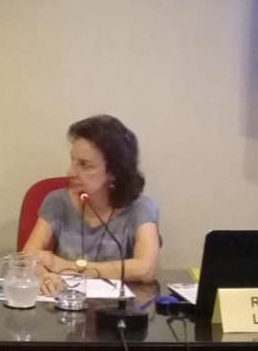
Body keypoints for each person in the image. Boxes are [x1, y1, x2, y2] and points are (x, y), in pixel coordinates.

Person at [22, 114, 159, 295]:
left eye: (84, 165)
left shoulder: (140, 208)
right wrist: (43, 275)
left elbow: (145, 269)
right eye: (72, 161)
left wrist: (68, 267)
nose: (70, 172)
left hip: (116, 309)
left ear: (114, 172)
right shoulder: (57, 202)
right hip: (64, 304)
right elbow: (28, 256)